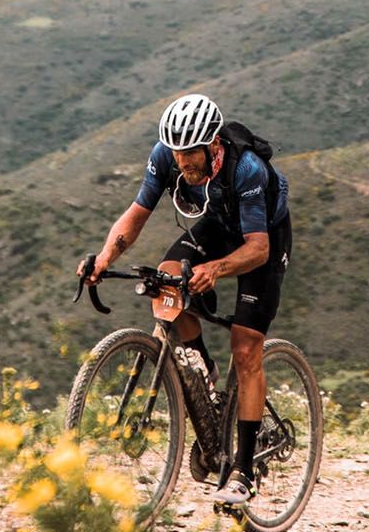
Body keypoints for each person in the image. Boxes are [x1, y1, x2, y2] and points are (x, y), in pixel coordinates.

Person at [81, 93, 290, 506]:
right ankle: (205, 374)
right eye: (176, 153)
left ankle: (244, 472)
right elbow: (137, 213)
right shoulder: (167, 157)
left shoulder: (246, 170)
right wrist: (105, 257)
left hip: (261, 238)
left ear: (213, 144)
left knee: (246, 347)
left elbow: (257, 249)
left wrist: (215, 269)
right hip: (219, 225)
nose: (183, 163)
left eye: (191, 154)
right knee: (167, 281)